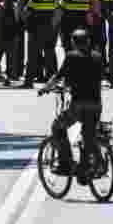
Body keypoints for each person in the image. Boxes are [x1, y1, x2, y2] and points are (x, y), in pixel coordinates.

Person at [40, 29, 103, 184]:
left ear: (74, 43)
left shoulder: (71, 56)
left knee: (57, 127)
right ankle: (88, 166)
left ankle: (65, 164)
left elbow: (58, 77)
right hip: (96, 105)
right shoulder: (97, 56)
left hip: (79, 105)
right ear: (88, 41)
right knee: (88, 135)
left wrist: (45, 88)